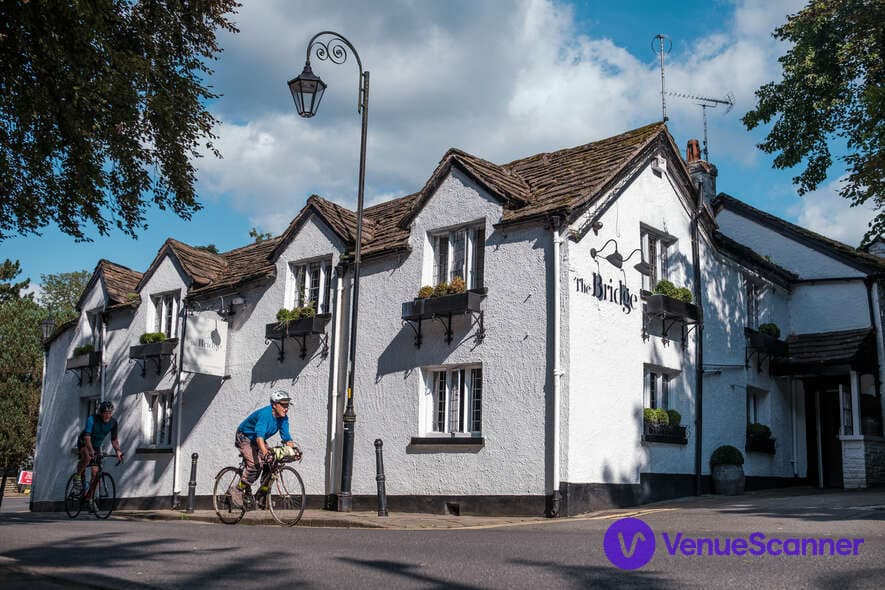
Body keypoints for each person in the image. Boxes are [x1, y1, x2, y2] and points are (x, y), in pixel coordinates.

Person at [230, 390, 300, 507]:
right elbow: (259, 438)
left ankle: (261, 494)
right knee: (254, 465)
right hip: (245, 436)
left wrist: (293, 451)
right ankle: (237, 489)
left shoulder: (283, 418)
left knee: (272, 462)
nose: (286, 408)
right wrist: (265, 453)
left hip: (258, 439)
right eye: (283, 405)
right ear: (274, 404)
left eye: (287, 405)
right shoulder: (265, 415)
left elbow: (287, 438)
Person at [74, 400, 124, 512]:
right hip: (84, 442)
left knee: (96, 473)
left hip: (96, 446)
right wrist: (91, 451)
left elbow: (114, 440)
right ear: (100, 412)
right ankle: (77, 476)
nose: (107, 415)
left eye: (110, 413)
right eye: (105, 413)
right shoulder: (92, 419)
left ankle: (90, 499)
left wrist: (118, 451)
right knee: (87, 457)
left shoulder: (113, 423)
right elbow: (87, 438)